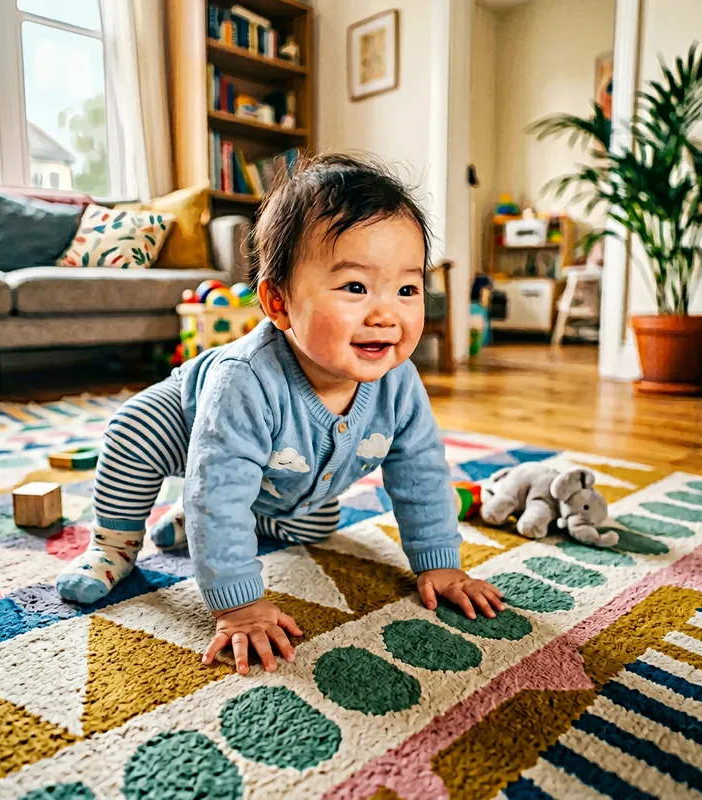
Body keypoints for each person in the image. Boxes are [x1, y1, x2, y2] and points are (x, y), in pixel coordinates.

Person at [56, 153, 505, 674]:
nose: (386, 313)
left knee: (318, 520)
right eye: (355, 287)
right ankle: (113, 544)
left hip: (289, 473)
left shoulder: (399, 382)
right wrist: (239, 606)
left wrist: (441, 564)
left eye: (406, 289)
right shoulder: (244, 381)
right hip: (191, 428)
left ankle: (212, 523)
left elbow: (422, 474)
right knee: (135, 432)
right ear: (278, 302)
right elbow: (217, 491)